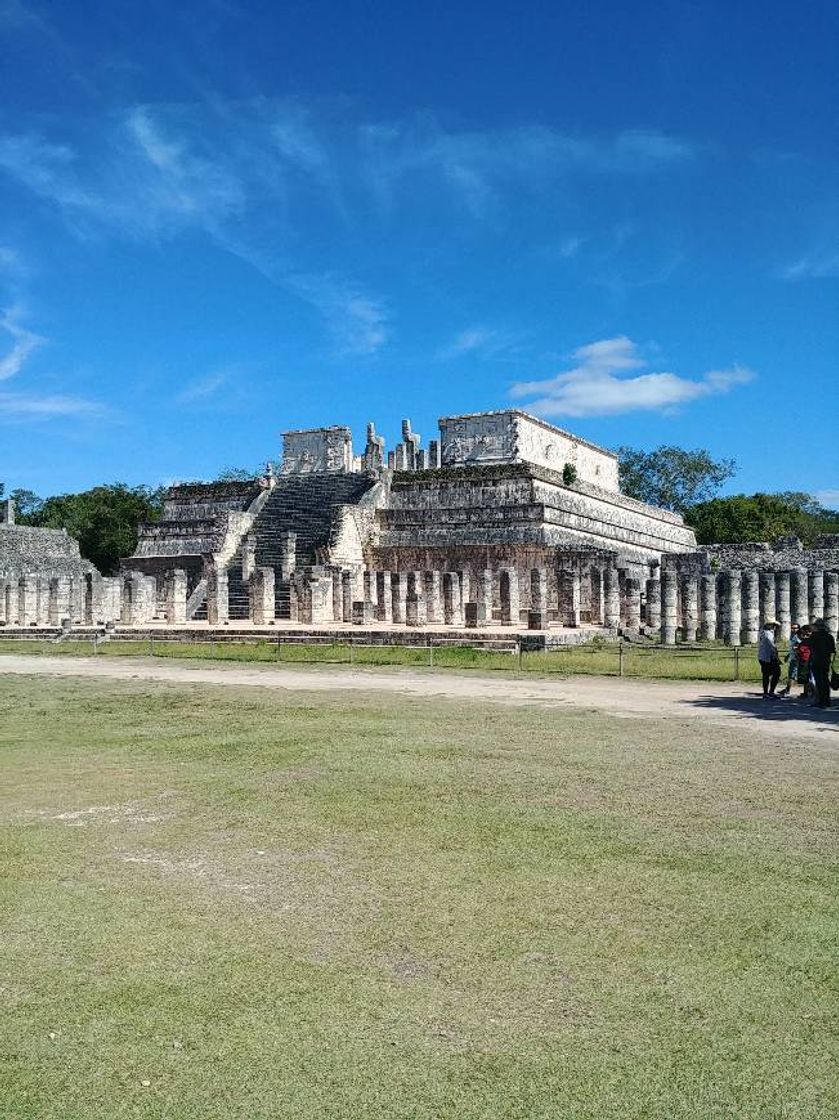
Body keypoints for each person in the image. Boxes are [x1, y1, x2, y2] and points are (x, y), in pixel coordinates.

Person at [807, 618, 836, 709]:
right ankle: (827, 701)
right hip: (826, 661)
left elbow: (810, 647)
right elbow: (832, 650)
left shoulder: (814, 636)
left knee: (819, 682)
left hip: (816, 661)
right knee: (825, 681)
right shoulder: (829, 636)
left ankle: (821, 701)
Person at [757, 620, 781, 699]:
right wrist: (777, 657)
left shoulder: (763, 632)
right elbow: (772, 647)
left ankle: (767, 693)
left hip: (763, 656)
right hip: (768, 657)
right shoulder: (768, 634)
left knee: (766, 675)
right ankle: (770, 692)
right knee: (776, 673)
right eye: (774, 625)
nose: (775, 627)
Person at [781, 622, 801, 696]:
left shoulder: (798, 636)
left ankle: (787, 690)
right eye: (792, 628)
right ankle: (787, 689)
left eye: (795, 628)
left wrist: (796, 651)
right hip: (793, 657)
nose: (794, 629)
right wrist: (788, 655)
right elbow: (793, 648)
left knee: (792, 675)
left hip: (796, 658)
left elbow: (798, 646)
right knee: (792, 674)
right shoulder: (794, 636)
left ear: (798, 628)